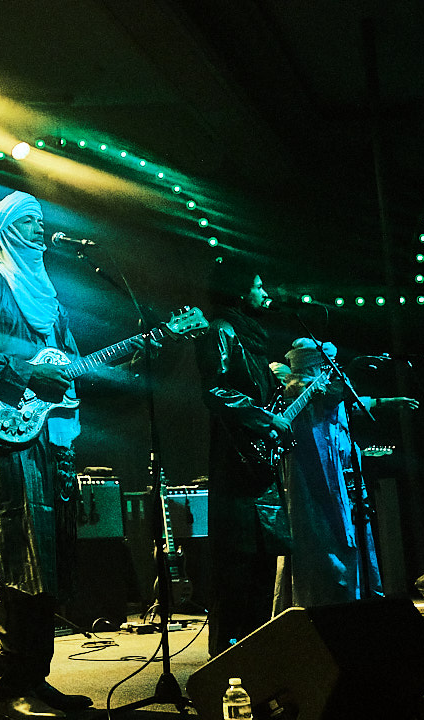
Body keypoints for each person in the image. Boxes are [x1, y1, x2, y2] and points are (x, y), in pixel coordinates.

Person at [0, 191, 145, 719]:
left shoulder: (51, 304)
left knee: (48, 558)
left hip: (50, 445)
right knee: (14, 557)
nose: (39, 230)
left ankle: (38, 678)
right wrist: (25, 372)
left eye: (41, 221)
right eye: (27, 222)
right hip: (2, 441)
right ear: (4, 230)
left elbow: (73, 371)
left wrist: (127, 359)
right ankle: (9, 687)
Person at [274, 338, 418, 608]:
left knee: (351, 534)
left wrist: (385, 402)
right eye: (326, 365)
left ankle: (354, 597)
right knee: (322, 541)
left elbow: (346, 402)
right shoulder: (297, 389)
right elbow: (334, 396)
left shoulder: (322, 389)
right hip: (314, 487)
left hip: (341, 477)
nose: (331, 371)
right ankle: (321, 602)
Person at [194, 260, 292, 657]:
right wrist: (263, 416)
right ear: (238, 291)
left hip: (261, 471)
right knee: (235, 573)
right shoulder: (220, 330)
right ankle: (226, 666)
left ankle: (260, 662)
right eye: (257, 284)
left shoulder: (252, 337)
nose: (264, 291)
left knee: (262, 573)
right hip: (236, 465)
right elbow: (214, 390)